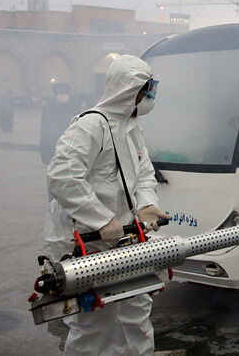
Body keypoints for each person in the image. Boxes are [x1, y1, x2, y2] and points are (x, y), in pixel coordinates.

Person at [44, 55, 170, 355]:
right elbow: (62, 176)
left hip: (125, 240)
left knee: (136, 313)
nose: (150, 97)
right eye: (147, 89)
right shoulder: (90, 126)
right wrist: (101, 219)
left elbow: (143, 174)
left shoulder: (132, 129)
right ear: (128, 90)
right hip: (88, 244)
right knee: (95, 324)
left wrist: (146, 205)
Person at [40, 83, 80, 165]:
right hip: (70, 139)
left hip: (53, 139)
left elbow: (44, 125)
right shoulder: (74, 104)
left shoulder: (49, 104)